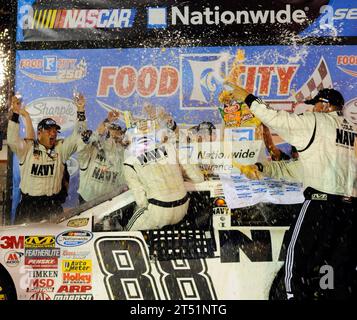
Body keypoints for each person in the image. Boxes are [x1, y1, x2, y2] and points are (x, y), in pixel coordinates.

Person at [225, 82, 357, 300]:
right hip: (348, 213)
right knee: (334, 269)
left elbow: (276, 118)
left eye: (314, 105)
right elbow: (304, 168)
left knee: (296, 265)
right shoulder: (351, 131)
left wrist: (249, 99)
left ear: (324, 106)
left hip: (320, 206)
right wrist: (263, 168)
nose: (311, 109)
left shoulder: (317, 121)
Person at [7, 94, 87, 224]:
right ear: (39, 133)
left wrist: (81, 111)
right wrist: (15, 114)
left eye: (55, 131)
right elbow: (11, 140)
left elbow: (78, 136)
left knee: (56, 243)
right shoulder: (27, 148)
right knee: (24, 243)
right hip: (29, 206)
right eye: (49, 130)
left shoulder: (61, 149)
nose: (53, 133)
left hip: (52, 206)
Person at [123, 118, 204, 231]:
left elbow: (141, 201)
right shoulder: (169, 147)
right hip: (183, 207)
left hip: (158, 211)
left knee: (126, 234)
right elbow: (198, 177)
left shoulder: (129, 161)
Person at [77, 109, 127, 204]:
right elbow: (84, 142)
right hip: (86, 201)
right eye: (113, 138)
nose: (115, 142)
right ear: (106, 137)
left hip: (108, 204)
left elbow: (123, 184)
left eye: (118, 139)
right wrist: (107, 121)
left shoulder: (123, 156)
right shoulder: (93, 148)